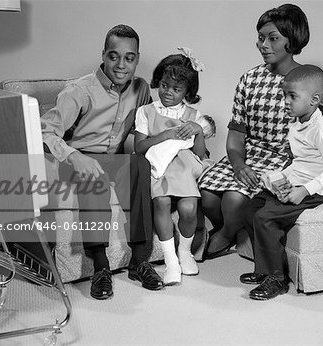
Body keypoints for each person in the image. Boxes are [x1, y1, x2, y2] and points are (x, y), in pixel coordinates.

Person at [198, 3, 323, 260]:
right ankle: (237, 231)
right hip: (248, 155)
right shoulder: (249, 79)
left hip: (285, 160)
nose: (264, 45)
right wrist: (238, 165)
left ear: (292, 41)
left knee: (233, 200)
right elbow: (236, 136)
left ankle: (225, 235)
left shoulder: (313, 83)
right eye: (260, 38)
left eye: (273, 39)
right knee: (208, 196)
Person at [40, 24, 164, 300]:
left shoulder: (141, 89)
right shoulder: (79, 91)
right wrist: (74, 156)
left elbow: (151, 123)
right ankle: (100, 266)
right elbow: (45, 130)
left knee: (139, 166)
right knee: (93, 174)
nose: (121, 65)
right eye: (113, 56)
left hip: (114, 158)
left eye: (129, 58)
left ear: (137, 59)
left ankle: (139, 262)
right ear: (104, 55)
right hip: (77, 160)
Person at [241, 64, 323, 300]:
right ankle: (263, 269)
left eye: (292, 96)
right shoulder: (297, 123)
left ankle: (277, 279)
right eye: (284, 95)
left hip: (315, 190)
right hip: (298, 181)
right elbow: (302, 161)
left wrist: (303, 191)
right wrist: (280, 176)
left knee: (265, 218)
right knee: (251, 209)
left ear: (314, 99)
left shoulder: (322, 130)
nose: (285, 101)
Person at [134, 50, 209, 285]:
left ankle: (184, 252)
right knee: (162, 201)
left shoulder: (193, 115)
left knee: (189, 208)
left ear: (188, 92)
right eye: (164, 85)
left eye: (177, 90)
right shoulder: (146, 111)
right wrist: (165, 135)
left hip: (183, 168)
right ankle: (170, 260)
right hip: (158, 166)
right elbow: (139, 147)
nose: (168, 92)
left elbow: (199, 154)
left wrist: (197, 131)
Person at [145, 114, 216, 179]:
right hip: (158, 162)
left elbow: (200, 155)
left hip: (152, 155)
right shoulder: (184, 133)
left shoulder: (196, 144)